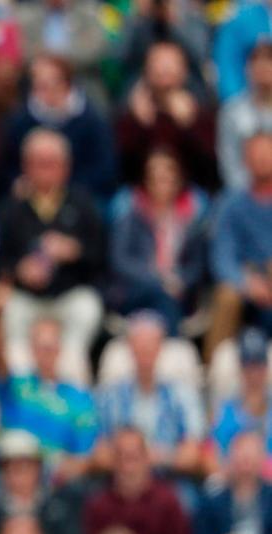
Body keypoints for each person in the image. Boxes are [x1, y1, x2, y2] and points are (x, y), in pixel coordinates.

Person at [0, 128, 106, 354]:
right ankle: (22, 379)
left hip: (68, 293)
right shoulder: (10, 209)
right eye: (38, 162)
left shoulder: (83, 204)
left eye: (51, 163)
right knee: (8, 311)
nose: (45, 170)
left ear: (66, 166)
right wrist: (19, 270)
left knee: (88, 307)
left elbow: (101, 255)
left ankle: (70, 373)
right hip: (26, 296)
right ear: (25, 165)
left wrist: (75, 252)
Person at [93, 312, 206, 485]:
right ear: (130, 347)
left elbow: (192, 457)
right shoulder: (109, 396)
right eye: (140, 345)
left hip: (168, 481)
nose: (145, 352)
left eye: (151, 345)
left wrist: (158, 457)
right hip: (119, 483)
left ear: (161, 348)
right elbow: (99, 456)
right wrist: (136, 461)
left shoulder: (183, 395)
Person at [0, 314, 98, 483]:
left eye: (50, 346)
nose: (45, 352)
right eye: (40, 346)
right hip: (7, 479)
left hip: (54, 487)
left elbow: (84, 455)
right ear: (31, 349)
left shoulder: (80, 400)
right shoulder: (16, 385)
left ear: (60, 348)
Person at [108, 149, 210, 330]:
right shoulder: (131, 216)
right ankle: (174, 346)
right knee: (162, 296)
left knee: (167, 299)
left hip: (179, 292)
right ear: (146, 181)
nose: (161, 184)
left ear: (178, 181)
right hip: (136, 291)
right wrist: (158, 281)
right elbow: (120, 261)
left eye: (167, 178)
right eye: (155, 178)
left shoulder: (190, 220)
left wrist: (181, 282)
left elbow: (196, 266)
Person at [0, 54, 116, 200]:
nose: (44, 89)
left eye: (50, 83)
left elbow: (103, 169)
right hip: (31, 195)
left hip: (81, 195)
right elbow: (8, 165)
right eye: (38, 83)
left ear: (66, 83)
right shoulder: (21, 120)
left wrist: (66, 191)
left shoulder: (91, 120)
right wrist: (18, 182)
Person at [83, 427, 191, 534]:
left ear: (147, 458)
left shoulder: (167, 500)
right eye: (121, 457)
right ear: (112, 461)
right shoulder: (98, 503)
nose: (128, 467)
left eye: (133, 457)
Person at [116, 41, 218, 190]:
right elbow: (121, 168)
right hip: (142, 194)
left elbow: (211, 171)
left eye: (170, 64)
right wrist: (139, 124)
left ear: (184, 71)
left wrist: (190, 126)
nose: (164, 70)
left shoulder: (201, 112)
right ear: (146, 71)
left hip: (189, 193)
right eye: (158, 63)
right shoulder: (131, 112)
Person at [208, 133, 272, 354]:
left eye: (267, 153)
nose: (262, 159)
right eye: (256, 154)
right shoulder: (230, 204)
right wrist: (247, 282)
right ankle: (214, 370)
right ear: (245, 161)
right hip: (247, 284)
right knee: (227, 296)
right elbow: (222, 256)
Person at [193, 431, 272, 534]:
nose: (246, 466)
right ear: (230, 460)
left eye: (250, 459)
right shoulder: (211, 503)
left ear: (262, 460)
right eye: (242, 459)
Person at [212, 327, 272, 466]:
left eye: (258, 366)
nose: (254, 374)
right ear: (240, 368)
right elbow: (213, 456)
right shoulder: (225, 410)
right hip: (235, 481)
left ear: (266, 367)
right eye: (248, 366)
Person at [218, 40, 272, 191]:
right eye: (256, 62)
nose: (263, 68)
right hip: (244, 194)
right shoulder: (232, 113)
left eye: (269, 61)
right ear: (247, 69)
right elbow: (229, 163)